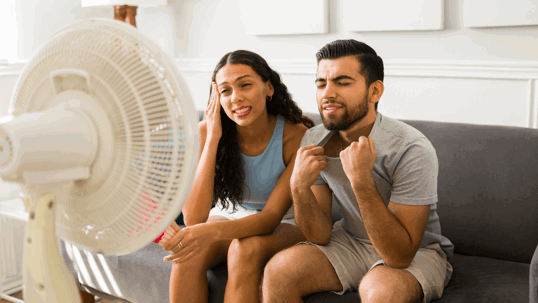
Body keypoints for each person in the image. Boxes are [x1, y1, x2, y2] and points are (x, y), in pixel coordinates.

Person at [262, 39, 454, 303]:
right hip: (350, 242)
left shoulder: (411, 148)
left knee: (382, 291)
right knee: (279, 271)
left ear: (375, 92)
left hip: (416, 251)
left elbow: (399, 256)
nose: (327, 93)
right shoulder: (313, 140)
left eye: (342, 82)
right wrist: (298, 186)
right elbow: (319, 235)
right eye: (321, 83)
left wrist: (361, 180)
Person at [158, 49, 313, 303]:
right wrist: (212, 138)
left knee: (244, 249)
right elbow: (195, 217)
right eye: (226, 91)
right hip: (231, 212)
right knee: (187, 254)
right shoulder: (207, 131)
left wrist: (210, 233)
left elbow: (270, 217)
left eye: (245, 85)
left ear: (269, 88)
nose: (236, 98)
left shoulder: (295, 135)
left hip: (288, 221)